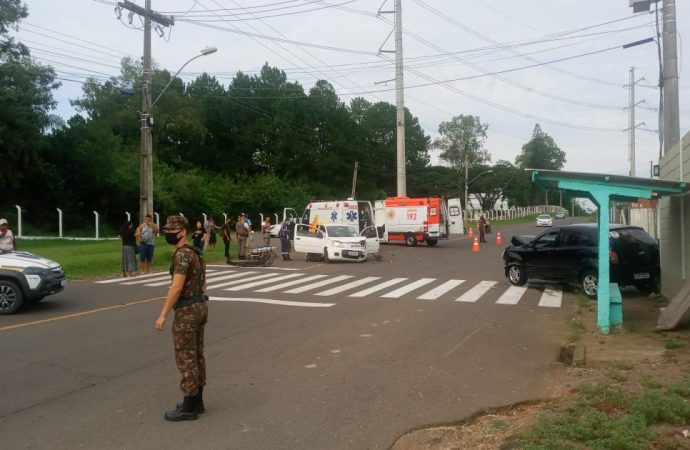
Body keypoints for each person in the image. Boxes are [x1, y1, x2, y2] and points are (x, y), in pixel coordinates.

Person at [155, 215, 208, 422]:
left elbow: (176, 287)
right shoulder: (196, 252)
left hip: (187, 311)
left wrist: (163, 315)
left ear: (182, 232)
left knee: (186, 356)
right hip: (200, 306)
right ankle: (198, 401)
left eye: (172, 231)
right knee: (197, 355)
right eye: (167, 231)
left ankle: (189, 406)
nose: (168, 234)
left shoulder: (182, 255)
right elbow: (204, 283)